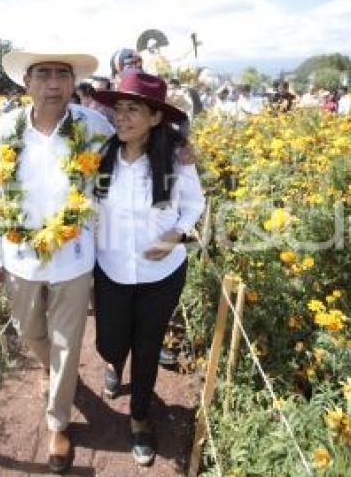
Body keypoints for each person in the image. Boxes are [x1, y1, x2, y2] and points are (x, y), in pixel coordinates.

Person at [0, 50, 113, 473]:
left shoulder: (94, 127)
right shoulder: (4, 130)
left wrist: (178, 149)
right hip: (19, 257)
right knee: (30, 331)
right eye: (43, 75)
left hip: (74, 256)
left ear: (73, 84)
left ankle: (58, 423)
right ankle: (49, 369)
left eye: (61, 75)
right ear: (27, 83)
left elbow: (137, 146)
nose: (53, 83)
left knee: (68, 343)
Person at [91, 70, 205, 466]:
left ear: (155, 117)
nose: (122, 117)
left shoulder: (175, 157)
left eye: (133, 110)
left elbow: (194, 205)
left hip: (162, 275)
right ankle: (112, 360)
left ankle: (140, 419)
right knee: (110, 340)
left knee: (147, 345)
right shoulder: (102, 156)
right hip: (111, 271)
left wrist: (174, 236)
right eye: (119, 109)